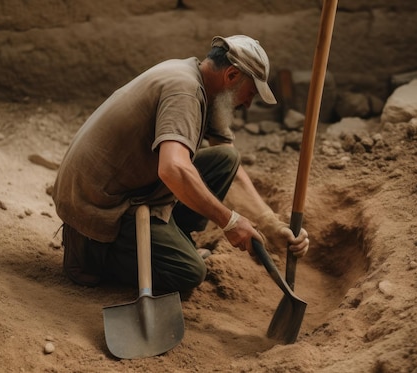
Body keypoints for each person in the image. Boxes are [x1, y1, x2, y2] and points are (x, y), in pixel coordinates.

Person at [52, 35, 309, 293]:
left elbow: (230, 163)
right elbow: (172, 169)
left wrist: (268, 222)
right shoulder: (185, 91)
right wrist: (229, 221)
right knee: (188, 273)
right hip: (100, 207)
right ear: (231, 76)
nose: (247, 103)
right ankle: (93, 258)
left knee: (225, 160)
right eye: (250, 93)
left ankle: (172, 240)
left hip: (130, 189)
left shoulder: (203, 82)